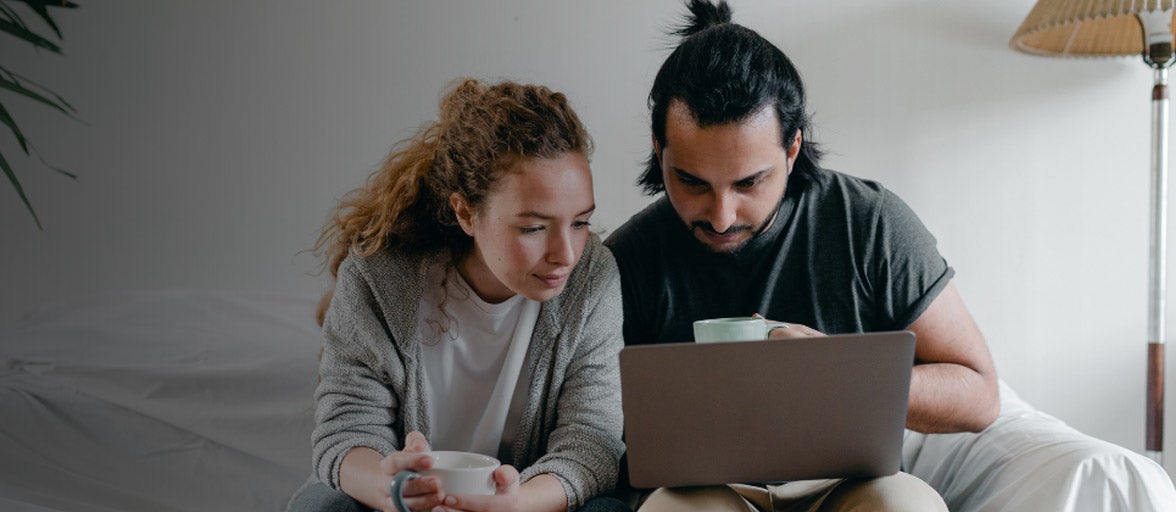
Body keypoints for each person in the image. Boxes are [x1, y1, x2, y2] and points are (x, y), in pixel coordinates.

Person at [606, 1, 1176, 511]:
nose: (722, 215)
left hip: (849, 484)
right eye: (692, 182)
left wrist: (840, 374)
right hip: (702, 489)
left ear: (793, 147)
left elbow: (979, 394)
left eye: (750, 182)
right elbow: (588, 421)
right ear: (660, 151)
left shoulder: (868, 223)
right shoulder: (627, 258)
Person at [287, 79, 628, 512]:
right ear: (466, 212)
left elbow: (590, 443)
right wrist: (391, 487)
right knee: (323, 506)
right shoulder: (379, 277)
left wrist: (514, 503)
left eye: (580, 222)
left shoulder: (592, 279)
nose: (566, 254)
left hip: (529, 504)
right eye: (533, 228)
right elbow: (346, 431)